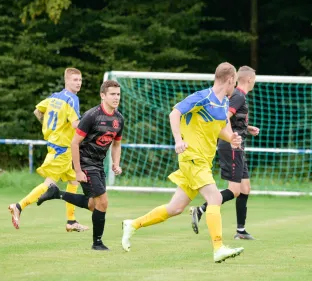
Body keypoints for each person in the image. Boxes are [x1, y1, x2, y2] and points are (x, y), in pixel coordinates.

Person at [121, 62, 245, 263]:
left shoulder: (223, 104)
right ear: (230, 79)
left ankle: (133, 224)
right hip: (191, 157)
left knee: (175, 208)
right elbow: (175, 113)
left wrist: (233, 138)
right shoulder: (202, 97)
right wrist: (178, 140)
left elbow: (221, 130)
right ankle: (218, 247)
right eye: (235, 82)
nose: (235, 86)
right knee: (215, 198)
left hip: (203, 161)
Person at [36, 80, 124, 251]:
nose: (116, 97)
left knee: (93, 205)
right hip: (84, 162)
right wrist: (77, 170)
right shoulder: (91, 116)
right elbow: (75, 143)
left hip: (98, 164)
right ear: (103, 95)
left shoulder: (119, 119)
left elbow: (117, 144)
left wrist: (116, 163)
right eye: (112, 94)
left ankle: (57, 193)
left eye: (118, 94)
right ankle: (97, 243)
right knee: (103, 202)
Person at [8, 68, 88, 232]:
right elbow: (75, 125)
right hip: (62, 148)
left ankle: (71, 222)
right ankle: (18, 206)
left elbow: (38, 111)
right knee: (50, 184)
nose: (78, 83)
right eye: (75, 80)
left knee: (73, 181)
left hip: (56, 145)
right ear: (67, 81)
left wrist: (52, 129)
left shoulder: (54, 97)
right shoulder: (72, 99)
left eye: (80, 80)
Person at [189, 66, 259, 240]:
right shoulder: (238, 95)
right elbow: (223, 116)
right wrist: (232, 136)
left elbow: (231, 119)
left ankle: (241, 231)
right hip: (232, 146)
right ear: (250, 79)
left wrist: (245, 128)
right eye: (254, 79)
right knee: (234, 190)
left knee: (245, 188)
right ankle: (201, 209)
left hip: (237, 146)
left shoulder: (237, 96)